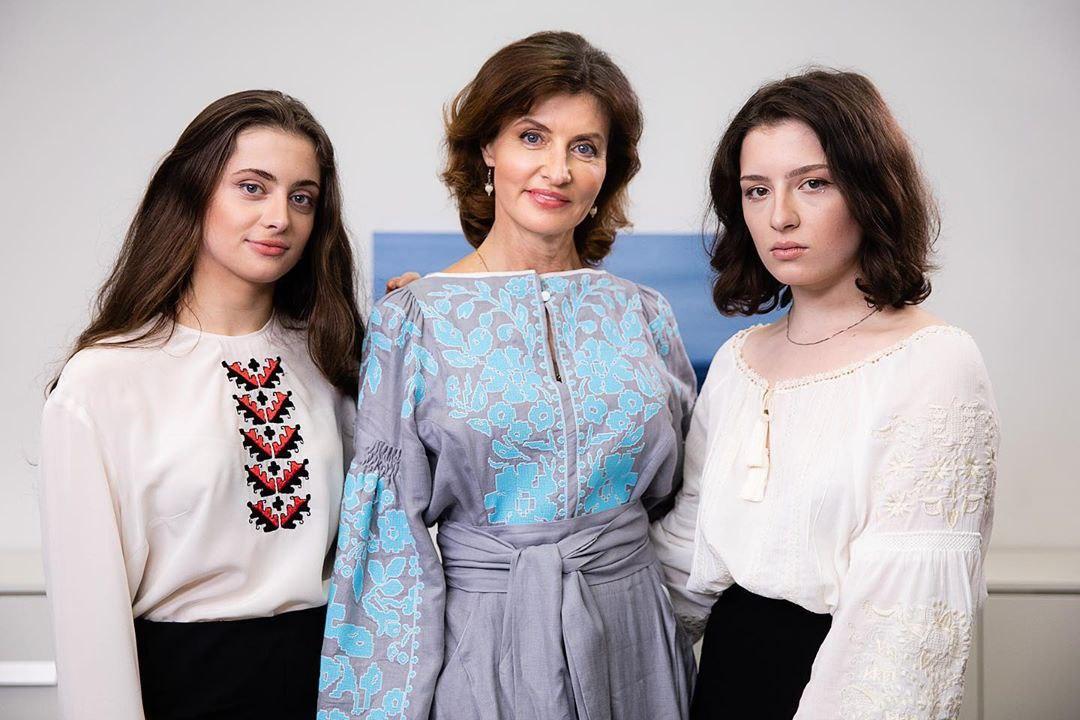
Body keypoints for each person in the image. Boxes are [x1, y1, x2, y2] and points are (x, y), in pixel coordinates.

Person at [319, 31, 697, 720]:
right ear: (487, 149)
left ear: (606, 171)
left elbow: (680, 500)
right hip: (486, 648)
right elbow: (386, 544)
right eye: (532, 137)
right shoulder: (415, 320)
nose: (558, 169)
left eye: (585, 147)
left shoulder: (645, 315)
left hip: (637, 638)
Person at [649, 69, 999, 720]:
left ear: (872, 190)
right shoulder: (737, 361)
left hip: (844, 683)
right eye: (757, 190)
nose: (780, 215)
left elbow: (906, 627)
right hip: (723, 678)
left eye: (813, 183)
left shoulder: (933, 361)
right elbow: (685, 552)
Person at [40, 90, 361, 720]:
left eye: (302, 197)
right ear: (192, 193)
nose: (280, 217)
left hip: (332, 688)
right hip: (183, 690)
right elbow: (88, 624)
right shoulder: (103, 381)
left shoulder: (329, 359)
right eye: (252, 188)